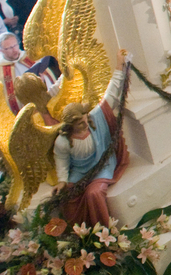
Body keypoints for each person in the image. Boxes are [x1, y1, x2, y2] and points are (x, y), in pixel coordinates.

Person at [53, 49, 130, 226]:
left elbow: (111, 92)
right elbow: (62, 162)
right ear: (70, 126)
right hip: (80, 172)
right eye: (78, 124)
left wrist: (119, 65)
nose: (84, 124)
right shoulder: (62, 141)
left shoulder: (96, 118)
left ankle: (103, 230)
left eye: (84, 119)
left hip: (102, 164)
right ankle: (81, 232)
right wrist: (62, 181)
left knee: (93, 193)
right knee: (67, 198)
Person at [0, 31, 58, 113]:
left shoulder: (30, 56)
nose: (14, 50)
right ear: (1, 50)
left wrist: (43, 80)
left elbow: (47, 75)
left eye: (15, 45)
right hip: (24, 108)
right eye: (9, 48)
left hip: (44, 99)